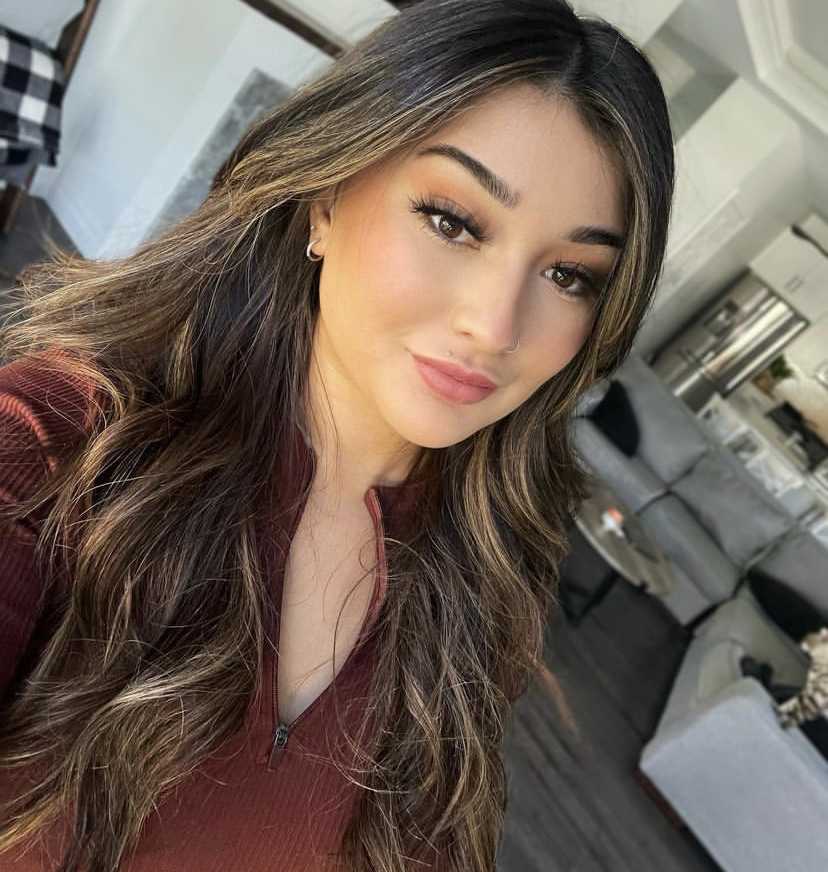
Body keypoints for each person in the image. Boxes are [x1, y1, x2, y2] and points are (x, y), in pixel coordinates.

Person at [0, 0, 674, 869]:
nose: (496, 325)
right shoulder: (59, 440)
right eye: (452, 221)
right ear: (326, 201)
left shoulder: (488, 581)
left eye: (570, 275)